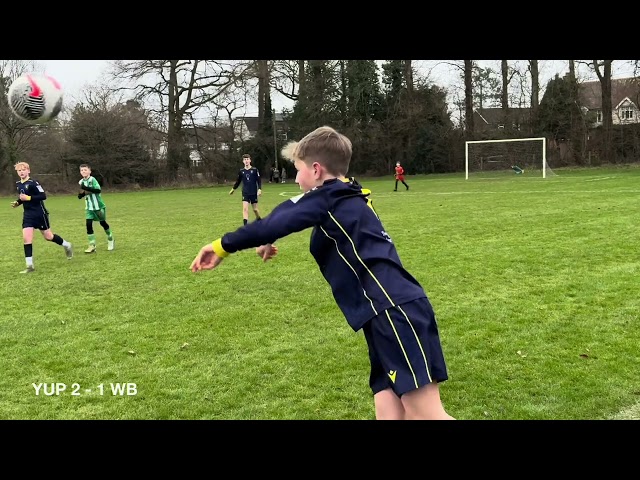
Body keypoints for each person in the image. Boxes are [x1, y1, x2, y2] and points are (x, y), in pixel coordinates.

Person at [191, 126, 454, 420]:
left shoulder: (330, 198)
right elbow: (287, 213)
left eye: (297, 169)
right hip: (384, 312)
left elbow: (279, 220)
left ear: (316, 170)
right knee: (388, 403)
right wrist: (270, 238)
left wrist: (221, 246)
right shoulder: (346, 194)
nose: (295, 178)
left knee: (426, 415)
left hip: (393, 311)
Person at [10, 161, 73, 273]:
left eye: (23, 170)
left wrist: (28, 198)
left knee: (48, 236)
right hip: (28, 215)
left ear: (28, 170)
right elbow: (23, 197)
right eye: (19, 170)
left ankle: (66, 245)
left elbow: (43, 196)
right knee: (26, 239)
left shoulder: (34, 183)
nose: (21, 172)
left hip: (40, 214)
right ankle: (29, 266)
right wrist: (18, 202)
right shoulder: (18, 184)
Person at [77, 164, 114, 253]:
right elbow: (83, 192)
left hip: (98, 206)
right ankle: (92, 245)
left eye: (85, 170)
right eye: (82, 170)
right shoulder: (80, 182)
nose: (83, 172)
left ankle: (110, 238)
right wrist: (81, 195)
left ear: (90, 171)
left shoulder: (92, 179)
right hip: (89, 207)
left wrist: (85, 188)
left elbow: (98, 190)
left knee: (103, 223)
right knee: (88, 224)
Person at [229, 153, 262, 226]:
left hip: (253, 192)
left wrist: (259, 189)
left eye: (247, 159)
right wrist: (233, 189)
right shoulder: (241, 171)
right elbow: (238, 181)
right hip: (245, 192)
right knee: (245, 209)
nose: (246, 161)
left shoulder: (255, 170)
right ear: (243, 161)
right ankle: (245, 226)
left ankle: (259, 219)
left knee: (255, 210)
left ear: (250, 160)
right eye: (245, 159)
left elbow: (258, 180)